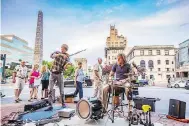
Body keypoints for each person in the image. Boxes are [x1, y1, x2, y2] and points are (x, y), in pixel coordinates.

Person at [46, 44, 71, 111]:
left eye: (63, 48)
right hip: (52, 73)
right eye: (61, 48)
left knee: (61, 90)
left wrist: (67, 63)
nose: (62, 49)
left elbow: (65, 67)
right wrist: (60, 55)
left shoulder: (67, 57)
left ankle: (63, 103)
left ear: (66, 49)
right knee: (50, 89)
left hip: (59, 74)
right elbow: (51, 56)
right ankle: (50, 105)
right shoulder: (57, 52)